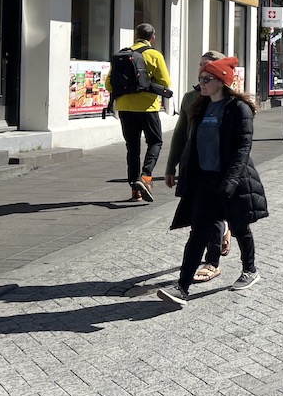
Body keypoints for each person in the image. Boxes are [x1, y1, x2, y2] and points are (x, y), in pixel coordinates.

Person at [157, 56, 268, 307]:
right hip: (204, 182)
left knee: (240, 227)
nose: (202, 83)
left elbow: (242, 149)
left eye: (207, 79)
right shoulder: (201, 106)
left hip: (231, 181)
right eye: (200, 79)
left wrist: (230, 182)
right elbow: (190, 144)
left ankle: (250, 270)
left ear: (222, 81)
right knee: (198, 234)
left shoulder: (238, 108)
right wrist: (181, 173)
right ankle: (182, 288)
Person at [163, 50, 229, 284]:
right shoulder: (190, 98)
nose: (202, 70)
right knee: (199, 216)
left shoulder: (229, 100)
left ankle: (212, 262)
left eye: (208, 66)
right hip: (193, 166)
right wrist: (171, 166)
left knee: (212, 215)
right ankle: (220, 234)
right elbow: (180, 133)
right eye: (201, 65)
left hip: (218, 168)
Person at [105, 23, 171, 203]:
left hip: (125, 108)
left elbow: (109, 84)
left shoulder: (122, 55)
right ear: (153, 37)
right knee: (155, 141)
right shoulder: (154, 55)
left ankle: (136, 191)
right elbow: (166, 82)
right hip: (148, 107)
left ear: (136, 36)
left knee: (132, 148)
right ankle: (146, 176)